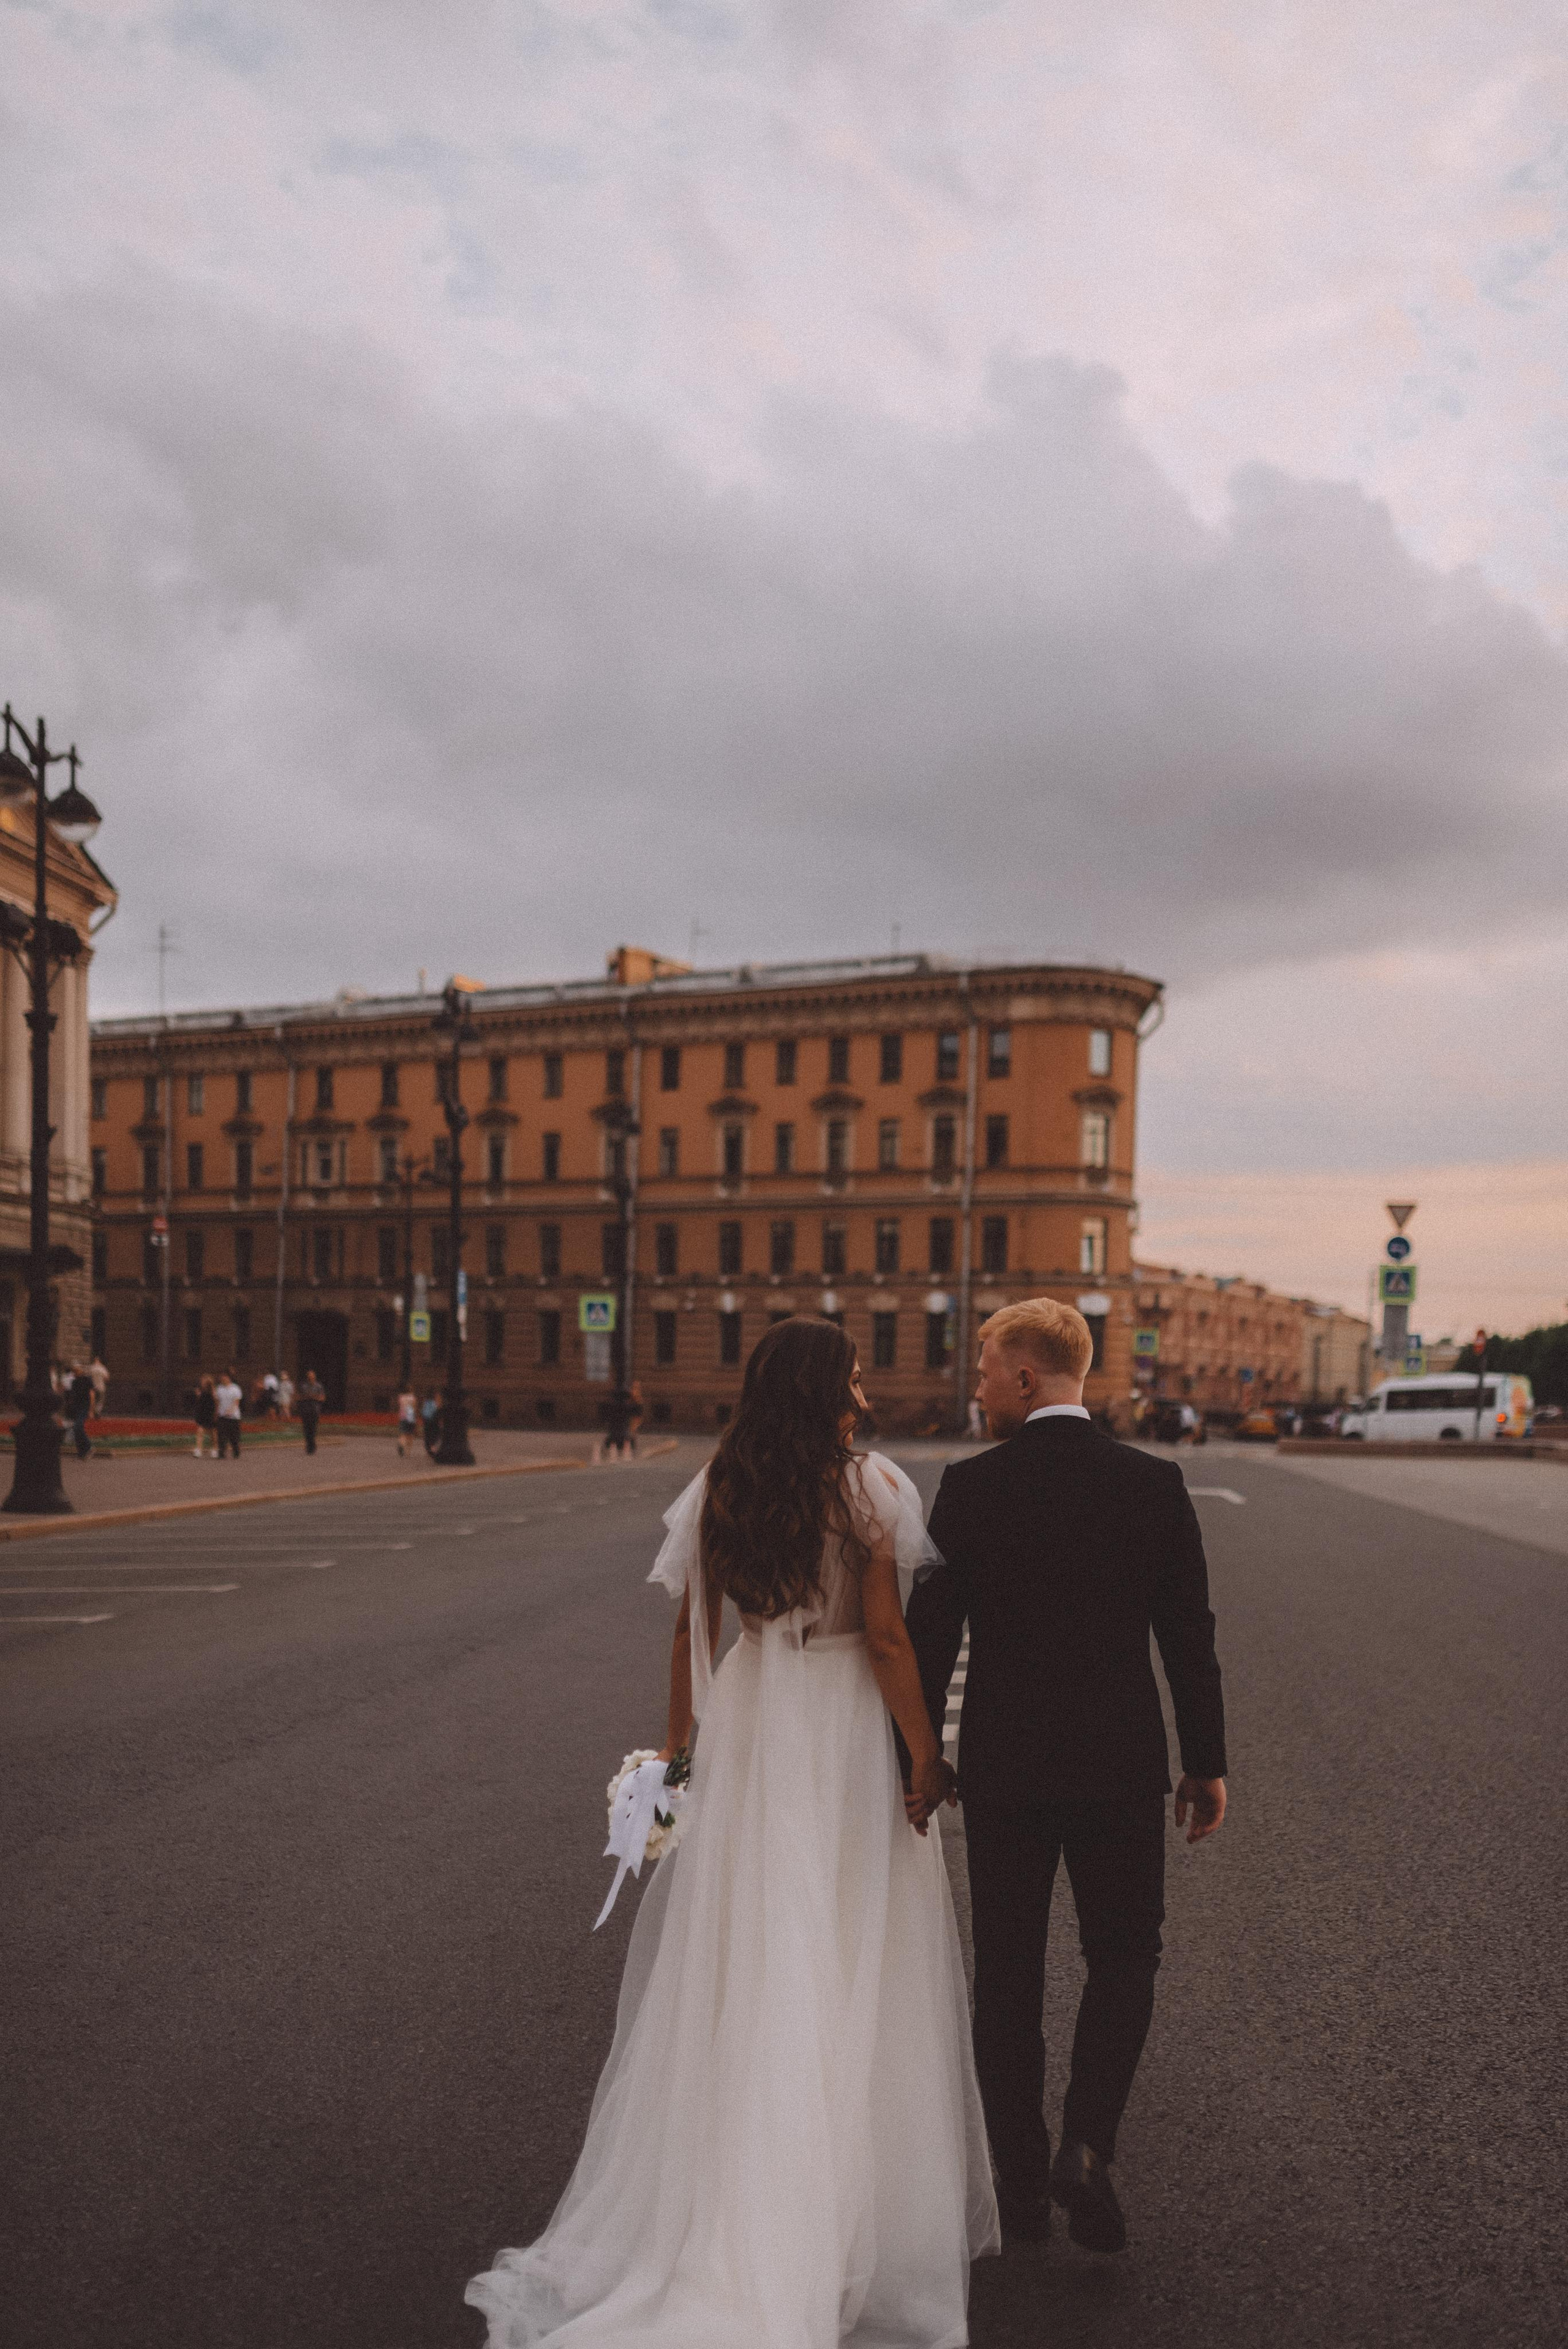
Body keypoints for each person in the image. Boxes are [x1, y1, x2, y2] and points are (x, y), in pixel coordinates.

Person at [467, 1317, 998, 2345]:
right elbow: (886, 1634)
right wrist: (924, 1754)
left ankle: (729, 2198)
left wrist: (680, 1750)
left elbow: (691, 1629)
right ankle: (836, 2210)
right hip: (840, 1718)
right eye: (852, 1369)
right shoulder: (874, 1488)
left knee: (755, 1942)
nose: (863, 1382)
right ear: (828, 1387)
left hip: (756, 1713)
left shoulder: (724, 1481)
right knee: (850, 1938)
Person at [907, 1298, 1228, 2255]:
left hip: (1004, 1771)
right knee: (1124, 1956)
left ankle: (1017, 2184)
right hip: (1120, 1766)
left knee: (1005, 1976)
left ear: (1026, 1377)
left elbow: (931, 1640)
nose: (975, 1385)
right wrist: (1205, 1762)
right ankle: (1087, 2146)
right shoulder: (1154, 1483)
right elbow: (1189, 1634)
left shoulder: (970, 1487)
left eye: (984, 1366)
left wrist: (919, 1760)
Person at [64, 1363, 96, 1461]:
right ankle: (81, 1452)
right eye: (74, 1371)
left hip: (84, 1407)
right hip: (76, 1408)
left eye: (76, 1371)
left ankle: (89, 1447)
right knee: (75, 1428)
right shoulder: (74, 1382)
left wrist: (91, 1410)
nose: (74, 1373)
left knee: (78, 1426)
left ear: (80, 1371)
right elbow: (73, 1396)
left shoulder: (87, 1380)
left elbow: (92, 1395)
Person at [213, 1368, 243, 1459]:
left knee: (234, 1437)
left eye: (225, 1377)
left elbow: (237, 1402)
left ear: (229, 1378)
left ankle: (236, 1451)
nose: (223, 1379)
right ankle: (221, 1452)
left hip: (233, 1417)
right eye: (222, 1377)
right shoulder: (219, 1389)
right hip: (222, 1416)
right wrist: (217, 1413)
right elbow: (217, 1402)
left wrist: (231, 1411)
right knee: (221, 1435)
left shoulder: (235, 1388)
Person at [297, 1368, 325, 1456]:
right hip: (305, 1410)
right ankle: (309, 1445)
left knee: (313, 1428)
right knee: (306, 1428)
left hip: (315, 1410)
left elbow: (323, 1398)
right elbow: (298, 1397)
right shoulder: (303, 1386)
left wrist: (314, 1397)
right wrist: (306, 1397)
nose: (311, 1378)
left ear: (315, 1377)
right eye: (309, 1376)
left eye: (312, 1376)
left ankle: (312, 1446)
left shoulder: (319, 1386)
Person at [192, 1375, 218, 1459]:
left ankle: (215, 1449)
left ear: (208, 1383)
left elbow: (216, 1403)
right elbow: (200, 1402)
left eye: (204, 1381)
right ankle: (199, 1450)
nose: (202, 1382)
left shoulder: (213, 1391)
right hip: (202, 1413)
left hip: (211, 1413)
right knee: (200, 1430)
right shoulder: (201, 1391)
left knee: (213, 1432)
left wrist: (216, 1414)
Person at [396, 1385, 418, 1459]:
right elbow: (414, 1409)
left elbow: (400, 1406)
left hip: (403, 1416)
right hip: (410, 1416)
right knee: (410, 1435)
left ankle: (401, 1444)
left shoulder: (401, 1397)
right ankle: (408, 1452)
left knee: (403, 1433)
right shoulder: (413, 1398)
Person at [88, 1354, 110, 1418]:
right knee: (100, 1400)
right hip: (101, 1386)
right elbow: (107, 1378)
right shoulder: (102, 1368)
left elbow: (88, 1377)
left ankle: (91, 1413)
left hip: (93, 1387)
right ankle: (97, 1412)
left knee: (93, 1400)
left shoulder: (91, 1368)